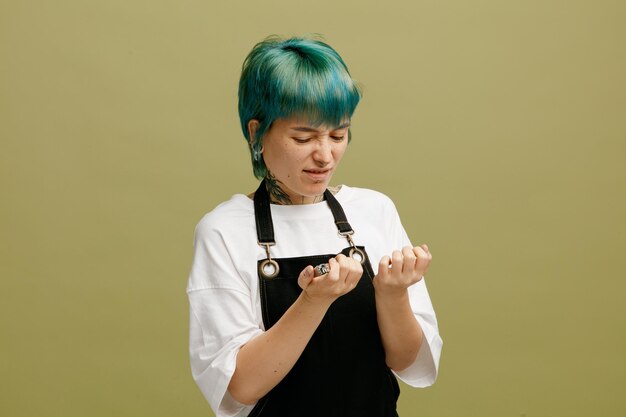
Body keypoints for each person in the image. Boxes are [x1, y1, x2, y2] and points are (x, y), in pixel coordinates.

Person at [187, 35, 443, 417]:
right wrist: (314, 300)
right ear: (256, 133)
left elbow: (408, 362)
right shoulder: (224, 231)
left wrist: (393, 295)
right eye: (303, 137)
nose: (325, 156)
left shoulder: (374, 210)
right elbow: (241, 386)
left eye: (338, 135)